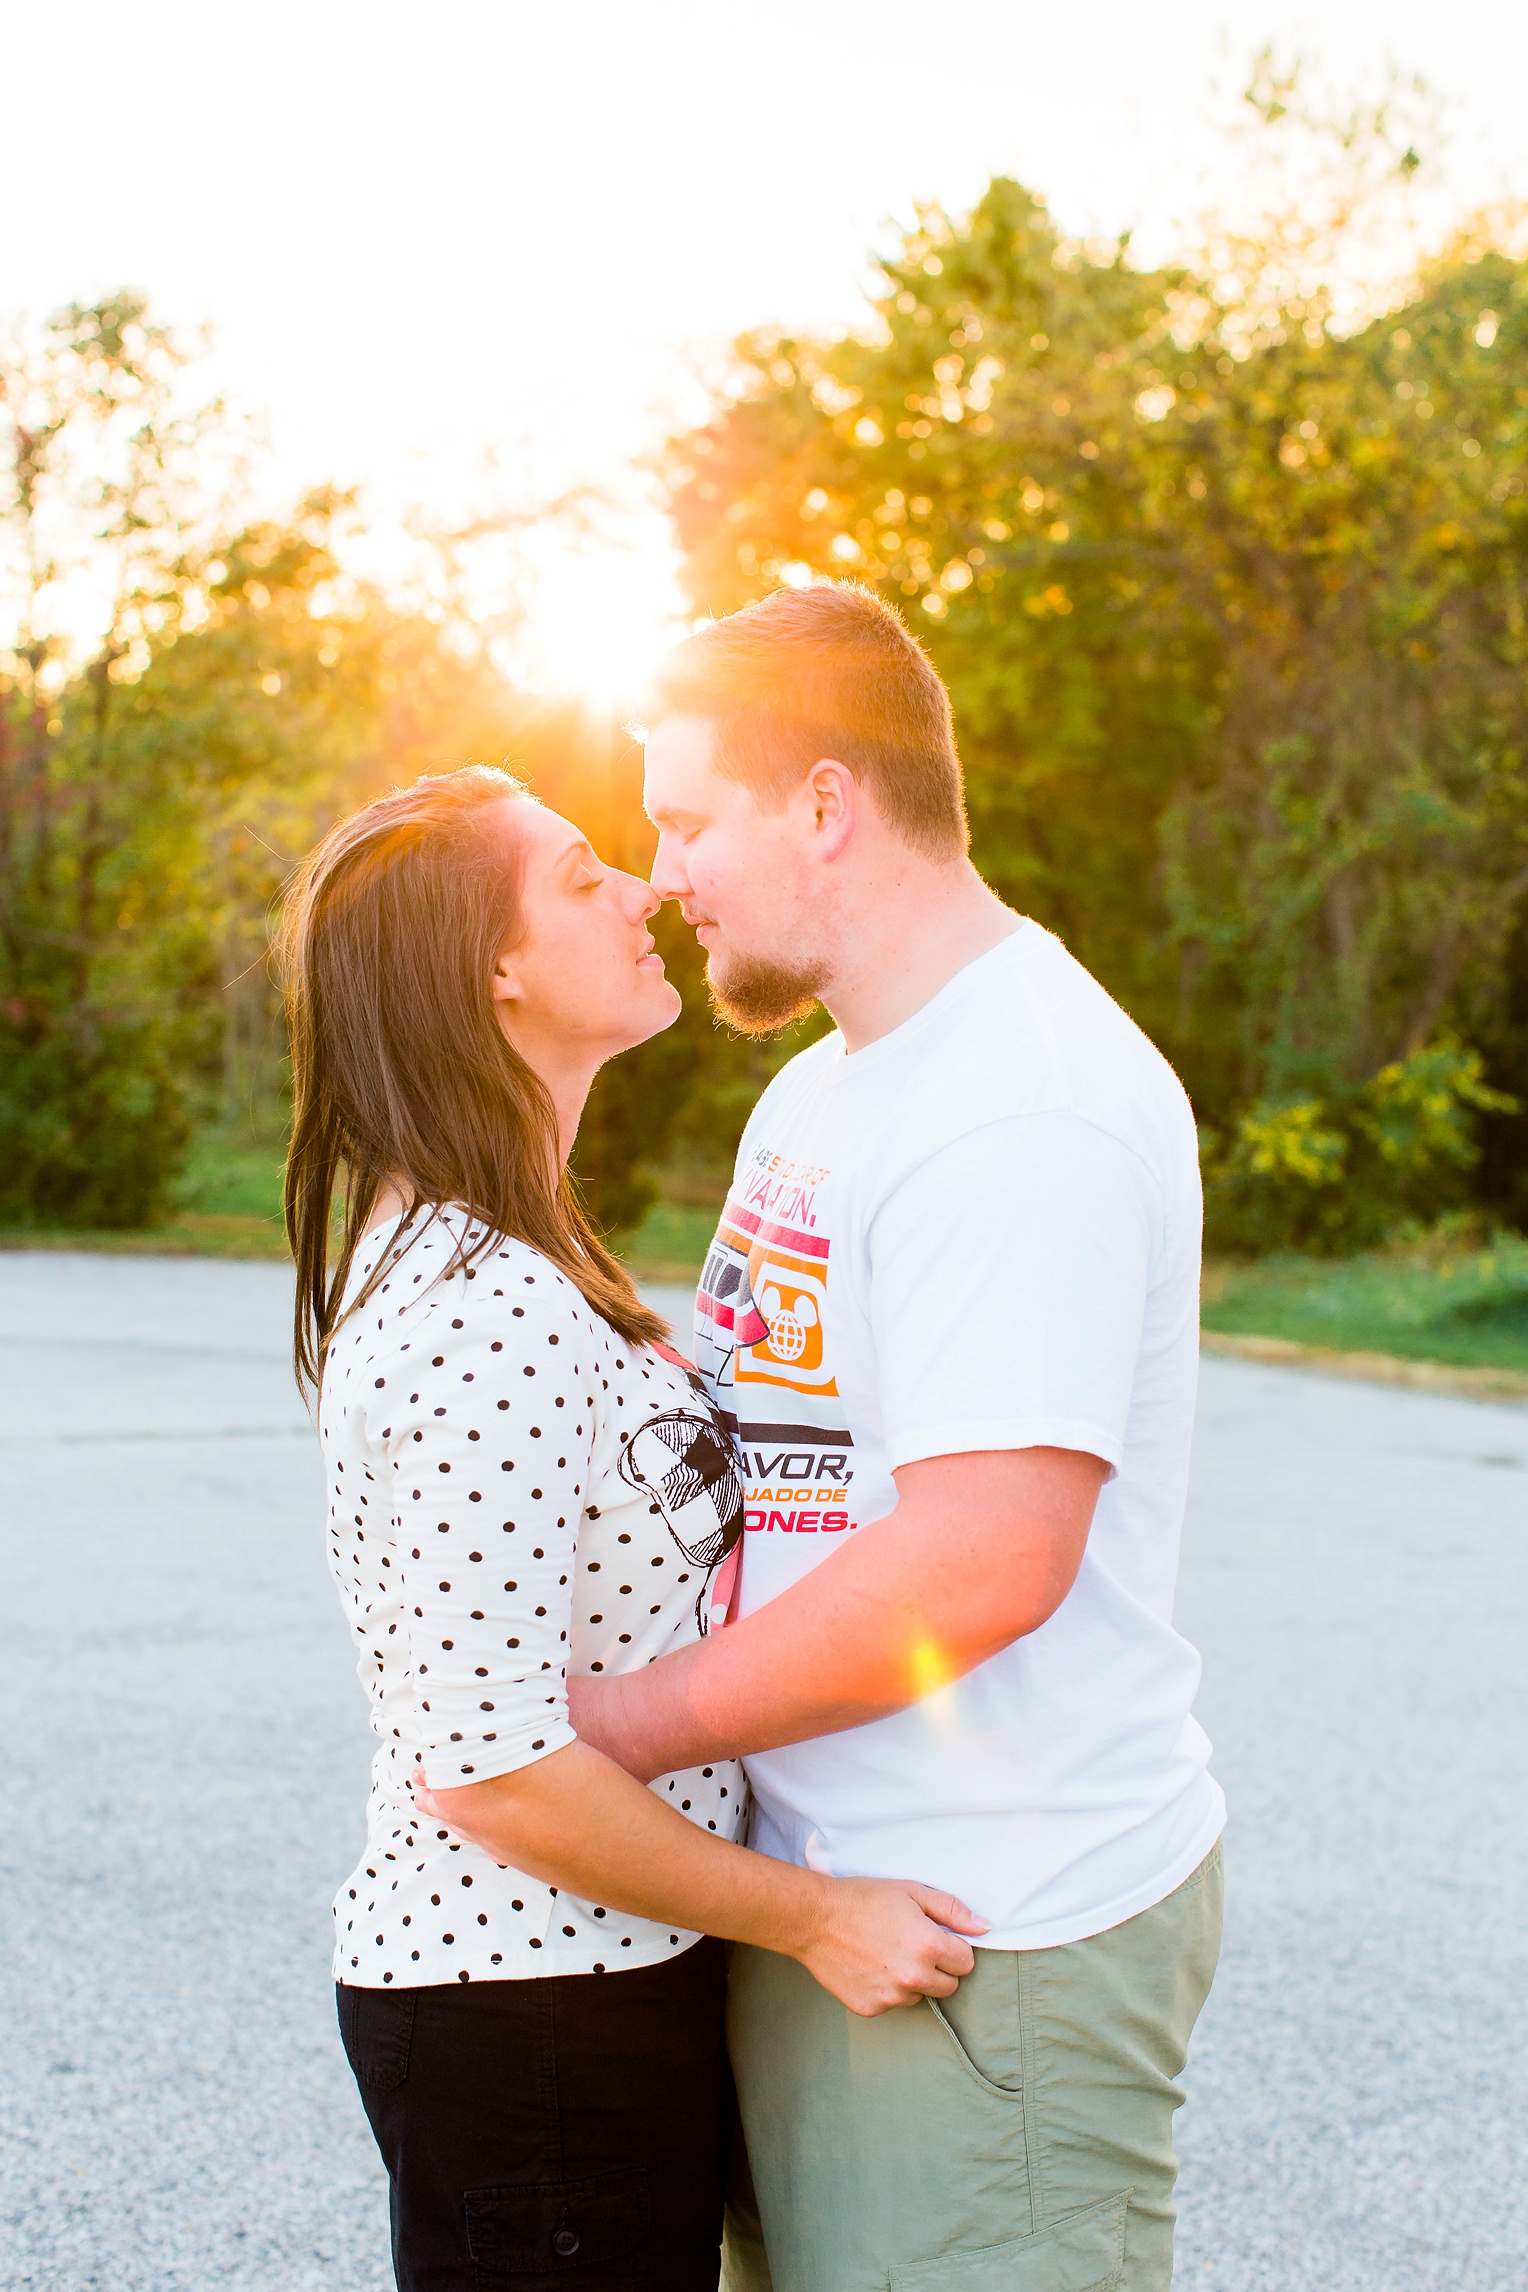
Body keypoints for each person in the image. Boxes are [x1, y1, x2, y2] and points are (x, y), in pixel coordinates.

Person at [547, 583, 1226, 2292]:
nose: (664, 876)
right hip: (821, 1904)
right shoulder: (836, 1082)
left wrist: (614, 1731)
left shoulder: (1024, 1100)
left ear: (829, 801)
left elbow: (985, 1555)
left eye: (690, 818)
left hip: (985, 1938)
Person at [280, 765, 985, 2292]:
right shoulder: (483, 1311)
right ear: (497, 970)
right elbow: (494, 1770)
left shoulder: (530, 1259)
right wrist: (817, 1920)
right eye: (581, 874)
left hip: (594, 1983)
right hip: (524, 2007)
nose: (645, 889)